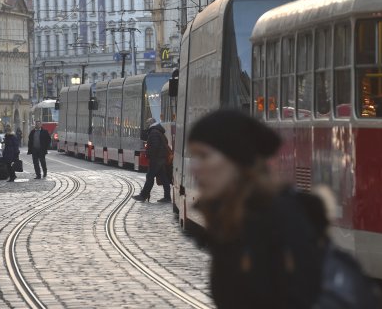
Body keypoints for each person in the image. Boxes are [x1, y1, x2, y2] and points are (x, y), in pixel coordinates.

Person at [186, 110, 327, 309]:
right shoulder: (230, 219)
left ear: (236, 160)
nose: (194, 168)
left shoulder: (278, 220)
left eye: (204, 156)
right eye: (194, 156)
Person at [132, 118, 170, 202]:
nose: (146, 126)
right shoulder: (158, 131)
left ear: (150, 124)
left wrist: (148, 154)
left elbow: (154, 147)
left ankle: (143, 195)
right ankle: (167, 197)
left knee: (150, 177)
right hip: (161, 158)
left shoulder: (153, 132)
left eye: (147, 124)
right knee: (164, 178)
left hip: (156, 159)